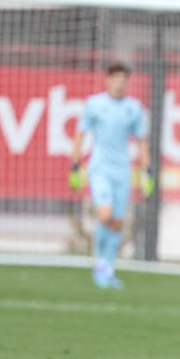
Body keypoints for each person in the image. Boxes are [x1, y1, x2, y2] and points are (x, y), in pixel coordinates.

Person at [70, 62, 149, 289]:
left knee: (117, 222)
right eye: (115, 79)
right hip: (100, 168)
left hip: (123, 170)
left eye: (123, 79)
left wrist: (147, 171)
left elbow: (141, 141)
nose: (119, 83)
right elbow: (81, 133)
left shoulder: (133, 108)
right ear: (108, 80)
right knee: (105, 214)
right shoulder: (95, 104)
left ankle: (108, 267)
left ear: (127, 82)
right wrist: (75, 165)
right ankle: (100, 263)